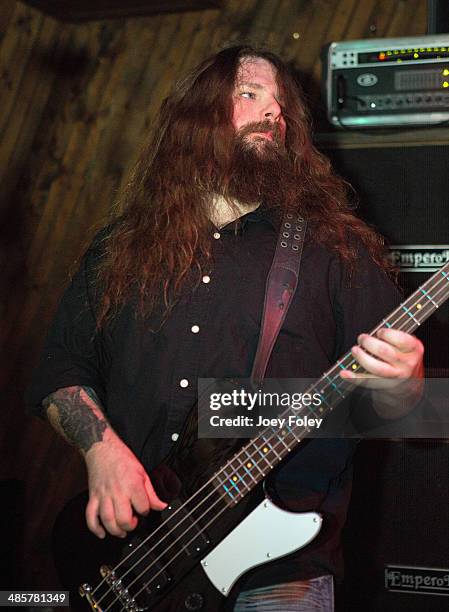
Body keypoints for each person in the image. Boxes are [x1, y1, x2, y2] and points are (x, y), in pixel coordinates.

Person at [28, 45, 424, 611]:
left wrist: (404, 383)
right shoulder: (120, 248)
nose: (273, 115)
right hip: (130, 555)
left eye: (282, 107)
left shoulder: (335, 249)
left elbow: (409, 408)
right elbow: (61, 369)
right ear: (198, 114)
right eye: (249, 94)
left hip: (278, 566)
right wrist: (102, 453)